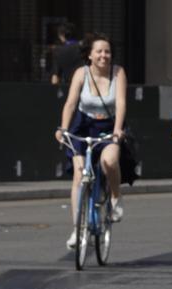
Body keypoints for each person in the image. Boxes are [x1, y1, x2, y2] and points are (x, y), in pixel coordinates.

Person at [54, 32, 128, 249]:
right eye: (99, 51)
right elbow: (70, 103)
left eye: (107, 51)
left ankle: (115, 198)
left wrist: (117, 131)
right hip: (83, 126)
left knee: (109, 162)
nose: (104, 56)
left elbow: (121, 103)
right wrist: (63, 128)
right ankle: (77, 230)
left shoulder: (118, 73)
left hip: (108, 127)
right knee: (79, 176)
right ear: (89, 55)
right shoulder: (81, 73)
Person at [49, 22, 86, 90]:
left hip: (69, 88)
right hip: (85, 86)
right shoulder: (83, 47)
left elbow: (55, 79)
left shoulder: (58, 51)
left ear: (61, 35)